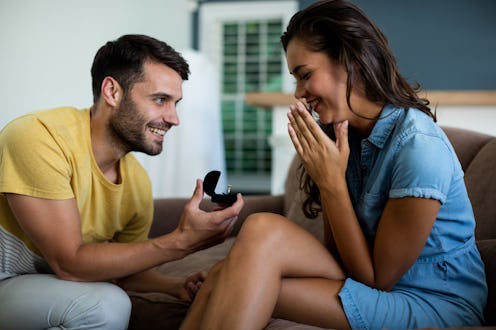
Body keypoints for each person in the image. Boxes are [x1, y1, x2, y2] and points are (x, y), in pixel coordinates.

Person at [179, 1, 488, 329]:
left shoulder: (418, 147)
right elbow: (338, 254)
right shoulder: (348, 138)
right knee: (250, 239)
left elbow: (378, 279)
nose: (299, 93)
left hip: (433, 303)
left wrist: (331, 182)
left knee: (240, 282)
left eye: (305, 75)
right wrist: (329, 177)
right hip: (374, 283)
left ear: (351, 61)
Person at [0, 34, 244, 330]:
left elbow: (124, 271)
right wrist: (181, 242)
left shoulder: (137, 185)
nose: (174, 118)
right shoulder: (39, 137)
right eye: (160, 100)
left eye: (175, 103)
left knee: (109, 297)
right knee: (106, 305)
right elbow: (70, 262)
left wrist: (173, 286)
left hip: (32, 283)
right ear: (112, 92)